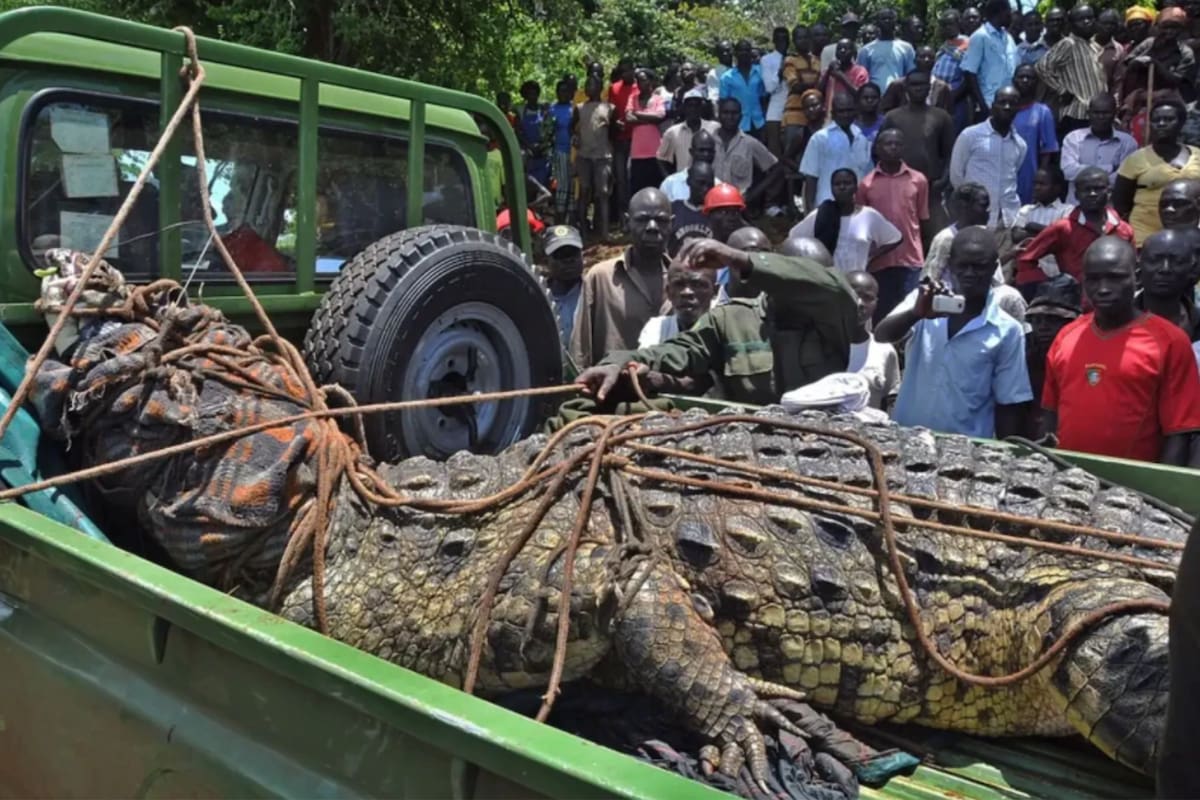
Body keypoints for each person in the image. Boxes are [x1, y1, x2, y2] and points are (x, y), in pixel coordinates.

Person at [575, 237, 859, 406]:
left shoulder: (835, 318)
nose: (807, 293)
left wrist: (739, 258)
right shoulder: (731, 319)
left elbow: (835, 289)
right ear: (777, 279)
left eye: (811, 285)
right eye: (797, 284)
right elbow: (678, 351)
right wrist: (620, 361)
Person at [1041, 236, 1200, 464]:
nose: (1103, 289)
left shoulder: (1171, 341)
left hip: (1132, 482)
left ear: (1136, 276)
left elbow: (1179, 432)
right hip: (1068, 477)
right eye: (1093, 279)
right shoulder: (1066, 336)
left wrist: (1163, 482)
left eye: (1115, 278)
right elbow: (1050, 414)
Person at [876, 227, 1033, 439]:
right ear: (950, 265)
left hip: (965, 448)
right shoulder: (922, 301)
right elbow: (881, 335)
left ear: (994, 268)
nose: (969, 273)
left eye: (979, 267)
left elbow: (1009, 403)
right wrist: (915, 314)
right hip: (907, 439)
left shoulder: (1008, 331)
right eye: (963, 265)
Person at [570, 188, 672, 368]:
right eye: (642, 219)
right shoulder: (601, 278)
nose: (652, 227)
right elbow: (581, 350)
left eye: (661, 220)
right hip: (613, 384)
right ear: (626, 222)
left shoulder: (686, 282)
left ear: (672, 224)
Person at [1016, 166, 1135, 296]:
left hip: (1116, 300)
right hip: (1075, 301)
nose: (1092, 194)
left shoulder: (1124, 230)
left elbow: (1133, 266)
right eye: (1087, 190)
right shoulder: (1063, 228)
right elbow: (1026, 259)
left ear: (1109, 192)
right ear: (1077, 195)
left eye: (1098, 189)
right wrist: (1048, 286)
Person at [921, 182, 1030, 322]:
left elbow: (990, 271)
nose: (988, 211)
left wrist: (1011, 254)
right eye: (983, 206)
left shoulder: (983, 235)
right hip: (953, 304)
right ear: (964, 207)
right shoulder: (947, 238)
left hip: (986, 300)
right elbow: (930, 277)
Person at [856, 128, 929, 318]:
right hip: (879, 260)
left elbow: (922, 219)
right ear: (878, 148)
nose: (893, 148)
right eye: (888, 144)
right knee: (882, 313)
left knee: (911, 312)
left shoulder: (918, 180)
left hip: (910, 258)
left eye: (897, 144)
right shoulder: (866, 184)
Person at [1113, 97, 1200, 245]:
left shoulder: (1197, 155)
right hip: (1146, 236)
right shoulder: (1135, 160)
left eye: (1168, 119)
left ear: (1181, 123)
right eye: (1156, 120)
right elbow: (1121, 202)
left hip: (1191, 236)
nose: (1161, 124)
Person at [790, 167, 902, 277]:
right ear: (831, 188)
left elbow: (895, 238)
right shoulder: (821, 214)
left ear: (855, 187)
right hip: (829, 280)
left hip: (856, 281)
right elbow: (794, 237)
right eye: (837, 184)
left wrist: (870, 256)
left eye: (847, 183)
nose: (842, 187)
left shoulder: (869, 216)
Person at [881, 70, 956, 229]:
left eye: (922, 85)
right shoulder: (892, 117)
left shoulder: (941, 117)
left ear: (929, 88)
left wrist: (943, 180)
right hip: (898, 184)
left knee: (930, 230)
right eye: (914, 85)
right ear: (906, 88)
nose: (918, 89)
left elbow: (950, 153)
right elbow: (879, 151)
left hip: (931, 186)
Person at [950, 86, 1027, 227]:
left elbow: (1014, 173)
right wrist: (970, 206)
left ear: (1018, 108)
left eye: (1012, 103)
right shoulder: (970, 135)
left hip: (1008, 219)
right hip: (976, 218)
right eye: (1002, 102)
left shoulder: (1020, 144)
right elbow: (956, 175)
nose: (1007, 107)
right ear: (992, 106)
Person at [1036, 5, 1107, 138]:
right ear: (1071, 24)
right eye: (1081, 19)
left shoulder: (1093, 46)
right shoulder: (1068, 44)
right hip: (1076, 115)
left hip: (1095, 115)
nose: (1087, 22)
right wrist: (1061, 90)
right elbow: (1042, 67)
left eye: (1090, 18)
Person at [799, 92, 873, 212]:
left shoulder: (862, 139)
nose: (846, 114)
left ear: (855, 111)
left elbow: (867, 176)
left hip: (857, 208)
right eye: (841, 111)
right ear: (833, 113)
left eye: (849, 110)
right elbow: (811, 177)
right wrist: (810, 212)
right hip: (826, 206)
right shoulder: (820, 138)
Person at [1023, 275, 1083, 423]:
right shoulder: (1023, 348)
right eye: (1037, 320)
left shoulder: (1085, 351)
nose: (1043, 327)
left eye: (1053, 320)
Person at [1059, 93, 1138, 204]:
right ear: (1088, 114)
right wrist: (1110, 168)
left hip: (1110, 207)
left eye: (1106, 113)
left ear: (1115, 114)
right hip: (1076, 206)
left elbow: (1122, 179)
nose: (1101, 117)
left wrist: (1084, 175)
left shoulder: (1128, 142)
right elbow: (1069, 171)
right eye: (1096, 113)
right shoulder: (1074, 138)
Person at [1116, 7, 1197, 106]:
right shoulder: (1148, 43)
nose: (1169, 31)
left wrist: (1155, 64)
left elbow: (1176, 81)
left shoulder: (1185, 52)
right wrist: (1147, 55)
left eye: (1174, 28)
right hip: (1141, 99)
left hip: (1170, 102)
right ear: (1158, 28)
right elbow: (1127, 65)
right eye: (1165, 27)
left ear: (1180, 29)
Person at [637, 260, 718, 347]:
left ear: (715, 291)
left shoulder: (724, 330)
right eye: (679, 284)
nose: (686, 292)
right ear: (668, 292)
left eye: (697, 285)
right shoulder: (656, 328)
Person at [712, 98, 778, 202]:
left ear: (741, 116)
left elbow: (776, 169)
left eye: (734, 113)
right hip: (711, 202)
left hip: (738, 204)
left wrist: (753, 194)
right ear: (718, 115)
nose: (730, 117)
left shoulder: (750, 143)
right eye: (726, 113)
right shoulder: (708, 141)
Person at [962, 0, 1019, 121]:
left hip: (1009, 105)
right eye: (1009, 13)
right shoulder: (980, 36)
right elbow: (969, 73)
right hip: (989, 104)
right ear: (1000, 13)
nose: (1011, 17)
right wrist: (983, 105)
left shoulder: (1008, 38)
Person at [1138, 228, 1200, 338]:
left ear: (1192, 268)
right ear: (1140, 263)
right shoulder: (1116, 321)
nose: (1165, 269)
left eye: (1177, 261)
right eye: (1154, 260)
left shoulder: (1196, 321)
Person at [1012, 64, 1059, 205]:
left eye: (1030, 78)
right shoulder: (1004, 109)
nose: (1025, 80)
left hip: (1028, 177)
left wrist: (1039, 185)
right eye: (1021, 77)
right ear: (1014, 80)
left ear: (1037, 83)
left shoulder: (1042, 112)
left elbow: (1047, 152)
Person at [1011, 166, 1072, 275]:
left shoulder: (1068, 210)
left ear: (1057, 188)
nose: (1036, 187)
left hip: (1055, 272)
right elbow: (1016, 235)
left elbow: (1063, 237)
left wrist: (1032, 226)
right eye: (1035, 183)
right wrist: (1050, 235)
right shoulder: (1026, 209)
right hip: (1027, 272)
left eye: (1042, 184)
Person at [576, 75, 614, 240]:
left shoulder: (609, 108)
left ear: (600, 88)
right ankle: (584, 231)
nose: (588, 88)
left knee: (603, 192)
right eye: (586, 85)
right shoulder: (579, 108)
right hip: (584, 156)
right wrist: (575, 137)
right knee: (584, 191)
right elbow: (573, 127)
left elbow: (613, 132)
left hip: (602, 156)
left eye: (591, 84)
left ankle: (604, 232)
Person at [656, 87, 720, 173]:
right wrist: (669, 178)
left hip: (710, 178)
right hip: (684, 179)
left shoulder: (715, 128)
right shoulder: (672, 132)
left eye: (697, 105)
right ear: (684, 107)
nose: (693, 109)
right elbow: (661, 158)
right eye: (690, 105)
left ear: (701, 107)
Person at [626, 69, 668, 196]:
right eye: (638, 81)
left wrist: (638, 114)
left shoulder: (658, 99)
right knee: (637, 189)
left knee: (655, 187)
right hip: (637, 152)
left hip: (654, 151)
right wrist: (649, 119)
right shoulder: (633, 98)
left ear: (651, 81)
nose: (640, 84)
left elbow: (660, 117)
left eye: (643, 80)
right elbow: (628, 118)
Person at [542, 225, 584, 348]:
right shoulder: (538, 298)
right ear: (546, 261)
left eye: (573, 253)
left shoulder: (595, 293)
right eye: (560, 255)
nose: (568, 260)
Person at [857, 8, 916, 92]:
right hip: (874, 96)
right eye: (883, 19)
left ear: (895, 22)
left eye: (890, 18)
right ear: (877, 23)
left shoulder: (906, 48)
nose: (887, 21)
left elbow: (911, 74)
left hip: (899, 95)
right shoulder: (866, 50)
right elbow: (862, 76)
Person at [659, 129, 724, 202]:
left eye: (709, 151)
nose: (706, 154)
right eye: (701, 150)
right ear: (691, 152)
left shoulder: (719, 186)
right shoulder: (670, 184)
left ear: (714, 154)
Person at [933, 9, 971, 131]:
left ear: (958, 24)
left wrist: (954, 95)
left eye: (950, 24)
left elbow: (970, 76)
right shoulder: (944, 47)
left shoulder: (967, 44)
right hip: (939, 97)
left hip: (957, 98)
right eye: (944, 25)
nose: (947, 28)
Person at [719, 39, 766, 137]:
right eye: (741, 50)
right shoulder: (727, 77)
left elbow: (764, 98)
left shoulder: (760, 72)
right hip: (738, 124)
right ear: (735, 53)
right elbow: (723, 103)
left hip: (759, 123)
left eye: (746, 50)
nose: (744, 53)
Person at [668, 161, 716, 256]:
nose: (705, 189)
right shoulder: (673, 209)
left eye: (710, 185)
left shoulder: (717, 213)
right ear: (688, 181)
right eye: (701, 183)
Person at [609, 61, 637, 215]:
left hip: (636, 139)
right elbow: (611, 111)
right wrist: (615, 122)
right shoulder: (614, 88)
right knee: (620, 178)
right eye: (623, 71)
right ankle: (622, 214)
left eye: (628, 70)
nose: (626, 74)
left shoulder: (639, 87)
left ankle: (634, 210)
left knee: (631, 174)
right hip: (619, 139)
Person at [761, 26, 791, 159]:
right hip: (775, 111)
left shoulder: (794, 58)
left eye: (785, 40)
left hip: (792, 109)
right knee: (775, 153)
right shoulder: (766, 60)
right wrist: (781, 69)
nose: (783, 43)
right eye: (779, 40)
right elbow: (769, 88)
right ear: (774, 41)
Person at [783, 25, 823, 126]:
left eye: (805, 37)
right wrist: (816, 86)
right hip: (795, 113)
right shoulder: (790, 60)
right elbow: (795, 86)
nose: (803, 41)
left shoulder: (818, 60)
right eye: (799, 38)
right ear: (794, 41)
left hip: (816, 114)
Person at [819, 38, 870, 117]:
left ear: (853, 52)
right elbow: (819, 91)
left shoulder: (860, 71)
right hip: (831, 115)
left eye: (846, 49)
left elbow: (861, 95)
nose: (842, 51)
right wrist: (828, 72)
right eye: (839, 49)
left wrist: (841, 76)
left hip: (852, 115)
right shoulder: (829, 71)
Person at [549, 79, 576, 220]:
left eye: (566, 91)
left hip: (575, 152)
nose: (563, 94)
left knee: (573, 185)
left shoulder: (575, 108)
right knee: (562, 185)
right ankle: (559, 218)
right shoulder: (552, 110)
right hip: (560, 151)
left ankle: (572, 219)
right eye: (561, 91)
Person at [517, 80, 551, 187]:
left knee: (543, 183)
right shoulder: (520, 111)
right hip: (527, 154)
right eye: (530, 94)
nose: (533, 97)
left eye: (535, 94)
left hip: (542, 152)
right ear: (525, 96)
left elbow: (549, 130)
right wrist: (529, 146)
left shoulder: (544, 110)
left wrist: (541, 145)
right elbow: (518, 132)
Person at [1094, 9, 1125, 93]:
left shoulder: (1118, 50)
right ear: (1097, 24)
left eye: (1112, 24)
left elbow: (1118, 82)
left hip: (1103, 96)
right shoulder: (1085, 44)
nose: (1108, 27)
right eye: (1105, 23)